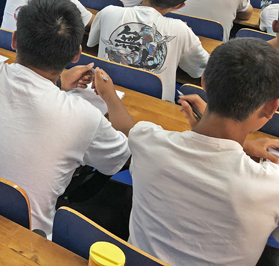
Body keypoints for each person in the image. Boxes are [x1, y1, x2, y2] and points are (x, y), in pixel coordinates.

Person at [0, 0, 129, 236]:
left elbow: (27, 84)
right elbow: (123, 157)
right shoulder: (85, 117)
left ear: (15, 39)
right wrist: (109, 95)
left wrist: (60, 82)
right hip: (25, 240)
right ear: (76, 55)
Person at [94, 38, 279, 266]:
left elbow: (126, 128)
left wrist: (109, 94)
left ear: (204, 81)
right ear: (271, 108)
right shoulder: (272, 186)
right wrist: (243, 145)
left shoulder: (149, 143)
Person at [88, 0, 208, 102]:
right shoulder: (181, 30)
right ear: (179, 6)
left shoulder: (108, 12)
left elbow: (92, 43)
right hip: (154, 104)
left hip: (102, 95)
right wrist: (186, 35)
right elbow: (201, 67)